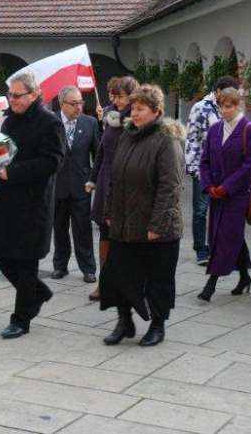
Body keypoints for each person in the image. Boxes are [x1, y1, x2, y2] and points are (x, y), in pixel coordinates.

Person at [99, 85, 184, 347]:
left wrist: (157, 224)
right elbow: (114, 178)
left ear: (156, 111)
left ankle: (158, 325)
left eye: (140, 108)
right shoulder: (127, 136)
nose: (134, 113)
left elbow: (170, 187)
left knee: (157, 279)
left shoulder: (166, 141)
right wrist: (110, 213)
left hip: (155, 227)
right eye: (133, 107)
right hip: (125, 222)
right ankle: (124, 321)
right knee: (116, 275)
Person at [0, 72, 65, 339]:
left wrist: (12, 172)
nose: (11, 100)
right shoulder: (9, 120)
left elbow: (52, 162)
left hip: (32, 202)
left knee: (26, 260)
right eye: (10, 95)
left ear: (33, 95)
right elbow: (2, 152)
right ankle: (38, 293)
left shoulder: (50, 123)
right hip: (5, 198)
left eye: (16, 95)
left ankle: (21, 319)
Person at [197, 87, 251, 302]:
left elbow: (250, 166)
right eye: (221, 106)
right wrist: (209, 186)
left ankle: (211, 284)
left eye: (228, 106)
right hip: (216, 193)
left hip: (236, 195)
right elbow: (204, 160)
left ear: (237, 105)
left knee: (224, 235)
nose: (224, 111)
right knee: (227, 234)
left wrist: (227, 187)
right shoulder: (215, 129)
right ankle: (244, 276)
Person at [86, 76, 138, 301]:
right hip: (107, 182)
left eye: (120, 96)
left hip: (126, 186)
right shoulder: (110, 115)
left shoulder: (136, 119)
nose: (115, 100)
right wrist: (93, 178)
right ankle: (104, 283)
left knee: (124, 236)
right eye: (113, 95)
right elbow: (102, 151)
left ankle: (126, 283)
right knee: (105, 234)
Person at [184, 76, 236, 266]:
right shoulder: (201, 107)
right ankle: (201, 249)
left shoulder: (232, 109)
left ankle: (218, 246)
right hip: (204, 167)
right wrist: (192, 165)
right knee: (201, 209)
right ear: (218, 90)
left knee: (222, 208)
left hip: (225, 168)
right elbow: (192, 137)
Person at [51, 86, 100, 283]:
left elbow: (98, 155)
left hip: (81, 185)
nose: (78, 107)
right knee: (59, 228)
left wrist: (94, 179)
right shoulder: (51, 122)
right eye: (74, 103)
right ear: (62, 104)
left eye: (80, 103)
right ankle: (60, 266)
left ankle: (88, 268)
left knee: (82, 229)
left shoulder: (90, 123)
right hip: (57, 185)